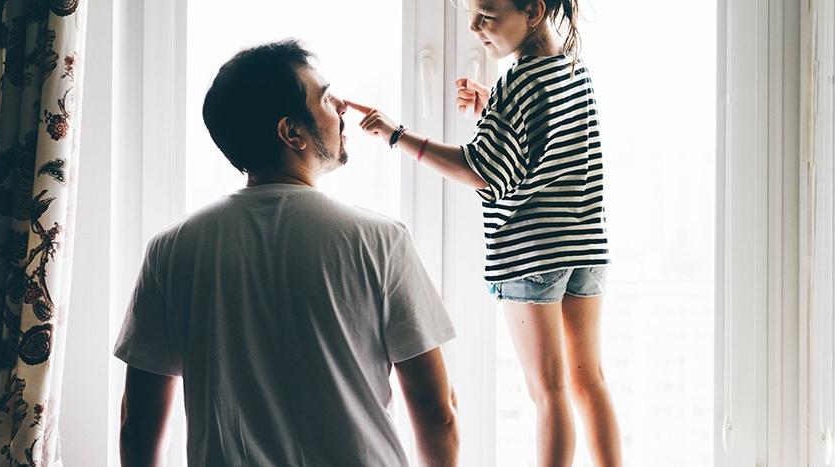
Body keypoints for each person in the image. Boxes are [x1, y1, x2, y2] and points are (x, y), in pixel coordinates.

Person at [113, 40, 459, 467]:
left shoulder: (171, 249)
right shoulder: (380, 241)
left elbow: (138, 423)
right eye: (326, 99)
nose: (342, 109)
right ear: (292, 132)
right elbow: (436, 411)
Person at [347, 1, 620, 465]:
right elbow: (543, 149)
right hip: (584, 244)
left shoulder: (518, 81)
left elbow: (483, 170)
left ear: (532, 11)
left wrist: (397, 135)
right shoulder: (573, 68)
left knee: (548, 392)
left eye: (487, 16)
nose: (475, 28)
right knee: (589, 380)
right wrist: (492, 107)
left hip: (532, 253)